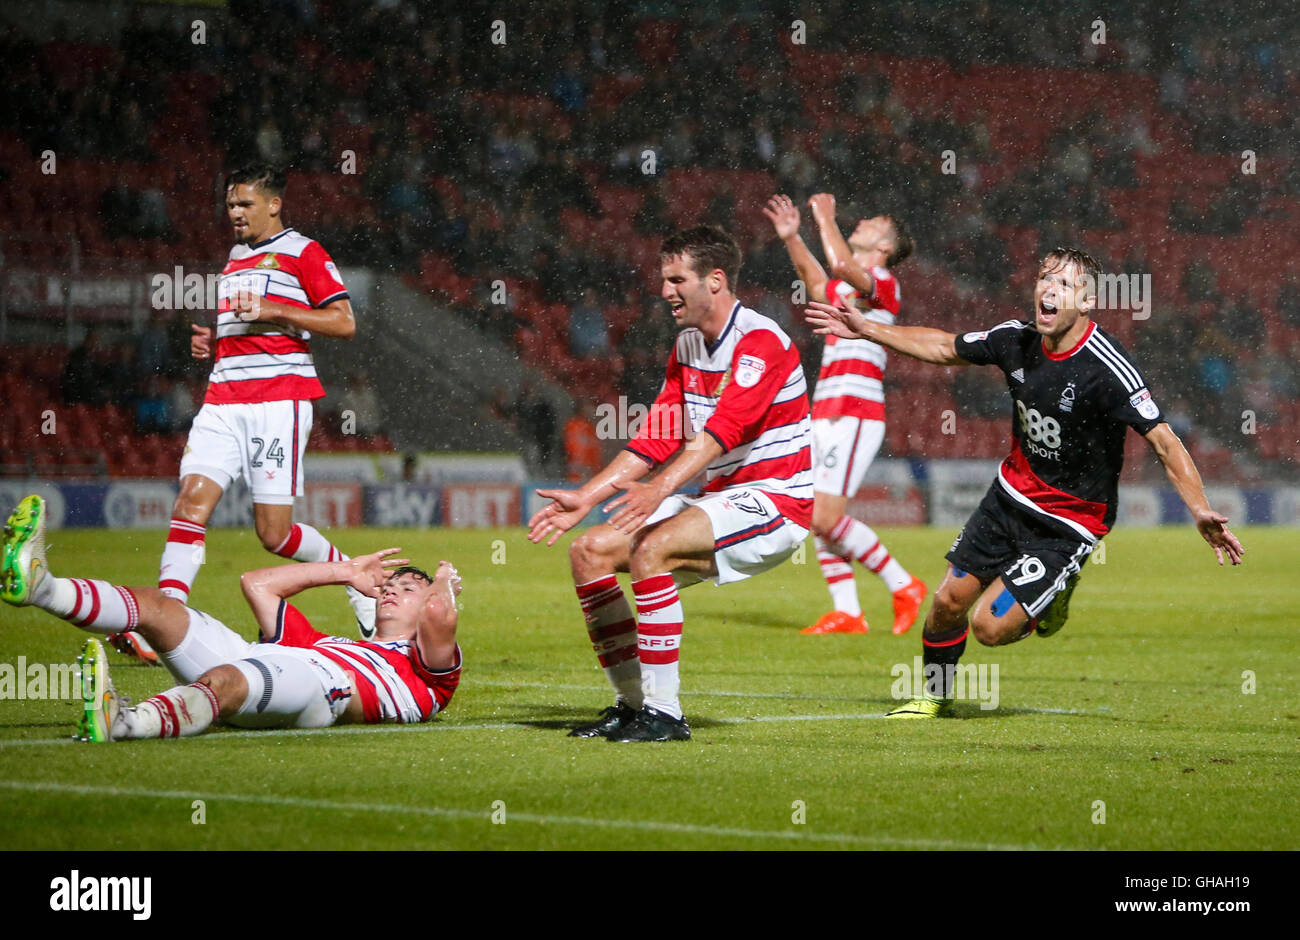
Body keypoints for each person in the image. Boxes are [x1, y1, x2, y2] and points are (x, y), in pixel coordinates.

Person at [806, 247, 1245, 717]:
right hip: (1009, 498)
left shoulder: (1107, 368)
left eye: (1065, 285)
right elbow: (942, 347)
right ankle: (933, 697)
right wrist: (867, 328)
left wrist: (1198, 508)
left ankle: (1053, 596)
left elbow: (1164, 441)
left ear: (1087, 301)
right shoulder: (1015, 339)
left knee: (988, 628)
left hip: (1070, 522)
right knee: (947, 601)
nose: (1049, 291)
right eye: (1044, 280)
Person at [528, 226, 813, 742]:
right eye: (664, 280)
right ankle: (633, 706)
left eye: (677, 279)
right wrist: (586, 497)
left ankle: (665, 714)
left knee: (652, 549)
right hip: (720, 499)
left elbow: (717, 437)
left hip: (777, 501)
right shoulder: (686, 344)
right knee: (589, 552)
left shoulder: (761, 342)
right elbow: (657, 434)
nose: (665, 292)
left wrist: (658, 491)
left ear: (716, 280)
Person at [116, 162, 371, 665]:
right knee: (191, 502)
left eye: (245, 204)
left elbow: (344, 322)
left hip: (278, 401)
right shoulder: (235, 258)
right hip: (223, 398)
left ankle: (354, 577)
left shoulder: (305, 252)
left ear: (274, 204)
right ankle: (165, 618)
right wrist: (215, 338)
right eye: (230, 204)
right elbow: (244, 325)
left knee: (274, 536)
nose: (234, 213)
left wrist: (277, 311)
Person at [0, 495, 461, 742]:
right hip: (283, 662)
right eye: (391, 585)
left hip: (326, 689)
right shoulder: (331, 642)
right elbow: (256, 583)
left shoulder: (429, 672)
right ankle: (42, 588)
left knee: (227, 679)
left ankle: (126, 723)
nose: (392, 592)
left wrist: (442, 576)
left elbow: (440, 613)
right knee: (159, 608)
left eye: (408, 589)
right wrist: (341, 571)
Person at [764, 192, 926, 635]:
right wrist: (793, 236)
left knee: (824, 517)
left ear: (885, 246)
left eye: (873, 218)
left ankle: (902, 583)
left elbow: (836, 266)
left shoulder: (884, 283)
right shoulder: (852, 286)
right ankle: (848, 612)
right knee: (816, 512)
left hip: (855, 409)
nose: (865, 218)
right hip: (828, 408)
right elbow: (817, 282)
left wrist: (824, 216)